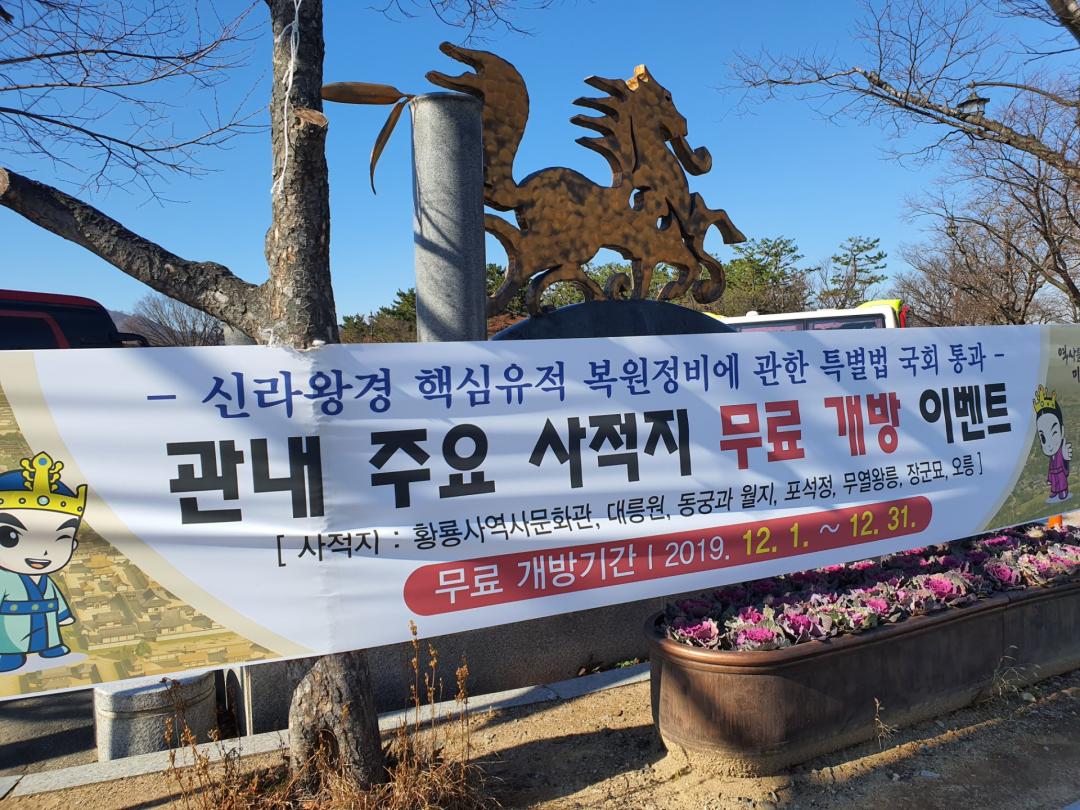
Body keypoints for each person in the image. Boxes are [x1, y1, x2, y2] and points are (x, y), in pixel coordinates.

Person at [0, 451, 85, 672]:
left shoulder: (46, 580)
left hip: (46, 621)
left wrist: (63, 616)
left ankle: (51, 647)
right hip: (12, 624)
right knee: (11, 639)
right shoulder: (4, 579)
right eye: (10, 536)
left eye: (60, 538)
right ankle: (9, 654)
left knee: (48, 634)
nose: (42, 550)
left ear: (72, 544)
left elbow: (56, 597)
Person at [1034, 385, 1072, 503]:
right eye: (1043, 438)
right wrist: (1049, 478)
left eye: (1054, 432)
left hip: (1060, 472)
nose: (1049, 444)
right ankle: (1055, 490)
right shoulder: (1052, 457)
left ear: (1062, 431)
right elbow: (1050, 467)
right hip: (1054, 472)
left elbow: (1065, 467)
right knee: (1055, 482)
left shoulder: (1060, 451)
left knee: (1061, 480)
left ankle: (1063, 490)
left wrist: (1065, 458)